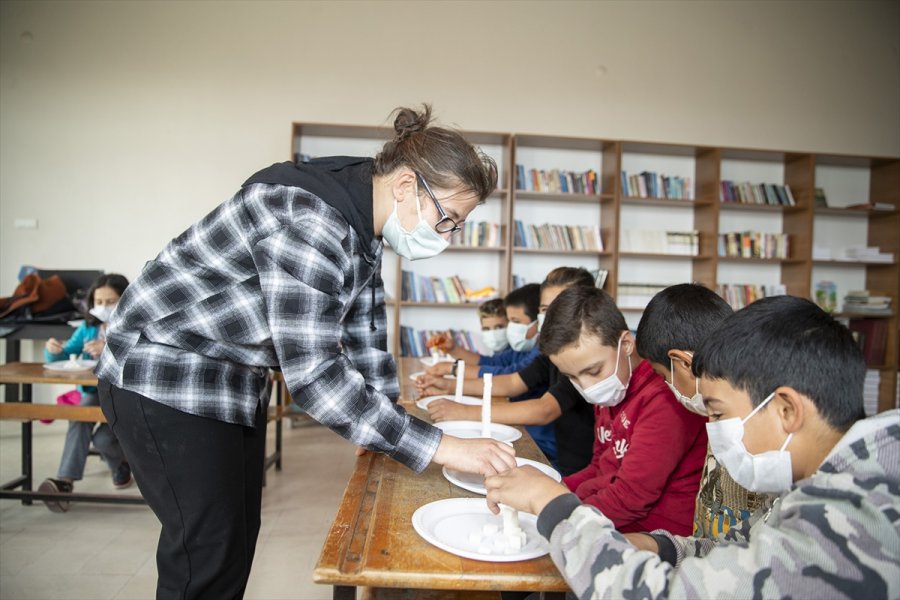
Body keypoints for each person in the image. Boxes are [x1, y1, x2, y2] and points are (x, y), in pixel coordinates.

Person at [95, 105, 517, 599]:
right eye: (448, 220)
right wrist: (441, 446)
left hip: (227, 378)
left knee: (233, 536)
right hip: (162, 371)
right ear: (406, 186)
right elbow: (316, 376)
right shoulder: (313, 220)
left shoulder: (363, 214)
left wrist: (384, 424)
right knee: (205, 550)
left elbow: (364, 328)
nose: (447, 237)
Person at [485, 295, 899, 599]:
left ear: (787, 409)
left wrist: (555, 506)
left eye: (717, 414)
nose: (711, 431)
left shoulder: (850, 519)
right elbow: (740, 553)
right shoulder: (835, 480)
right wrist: (660, 545)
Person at [419, 267, 597, 476]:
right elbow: (512, 382)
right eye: (545, 309)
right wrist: (448, 384)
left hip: (568, 466)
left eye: (561, 306)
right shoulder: (548, 351)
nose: (551, 315)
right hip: (552, 454)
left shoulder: (584, 357)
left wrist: (465, 411)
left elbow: (544, 409)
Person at [635, 283, 773, 539]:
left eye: (662, 375)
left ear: (683, 363)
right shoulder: (715, 411)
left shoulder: (762, 433)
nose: (666, 386)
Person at [426, 284, 557, 463]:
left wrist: (453, 378)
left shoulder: (545, 351)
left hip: (541, 444)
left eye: (515, 322)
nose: (510, 328)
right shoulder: (530, 347)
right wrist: (454, 359)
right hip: (526, 431)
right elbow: (495, 364)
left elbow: (510, 379)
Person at [38, 274, 132, 512]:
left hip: (124, 394)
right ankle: (65, 482)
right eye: (98, 301)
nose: (102, 307)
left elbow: (139, 359)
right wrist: (53, 350)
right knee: (80, 416)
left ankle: (121, 464)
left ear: (125, 299)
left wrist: (108, 348)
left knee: (103, 439)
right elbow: (64, 354)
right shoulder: (87, 329)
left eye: (110, 301)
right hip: (93, 391)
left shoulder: (132, 327)